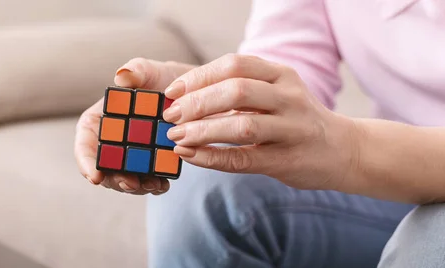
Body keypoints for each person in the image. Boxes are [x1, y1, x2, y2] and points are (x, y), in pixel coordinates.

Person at [74, 0, 445, 267]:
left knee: (427, 248)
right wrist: (212, 98)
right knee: (206, 184)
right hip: (388, 177)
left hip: (407, 165)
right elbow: (287, 69)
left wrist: (351, 148)